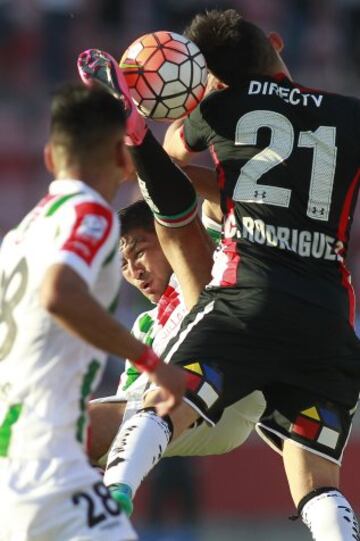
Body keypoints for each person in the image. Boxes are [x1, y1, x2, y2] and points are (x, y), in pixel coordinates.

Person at [78, 13, 360, 539]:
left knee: (162, 400)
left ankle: (114, 495)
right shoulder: (348, 113)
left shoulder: (220, 107)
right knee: (319, 484)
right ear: (275, 45)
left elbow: (178, 163)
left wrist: (153, 124)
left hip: (245, 303)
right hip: (326, 317)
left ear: (209, 78)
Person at [0, 83, 185, 541]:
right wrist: (154, 365)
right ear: (124, 162)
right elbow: (59, 294)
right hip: (50, 469)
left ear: (49, 158)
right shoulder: (91, 213)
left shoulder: (19, 237)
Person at [88, 199, 265, 515]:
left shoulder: (204, 261)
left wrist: (165, 164)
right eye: (123, 264)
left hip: (226, 390)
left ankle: (108, 502)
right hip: (176, 415)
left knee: (65, 425)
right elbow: (123, 410)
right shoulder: (143, 327)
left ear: (167, 236)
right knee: (52, 440)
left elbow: (214, 202)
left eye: (140, 252)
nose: (134, 270)